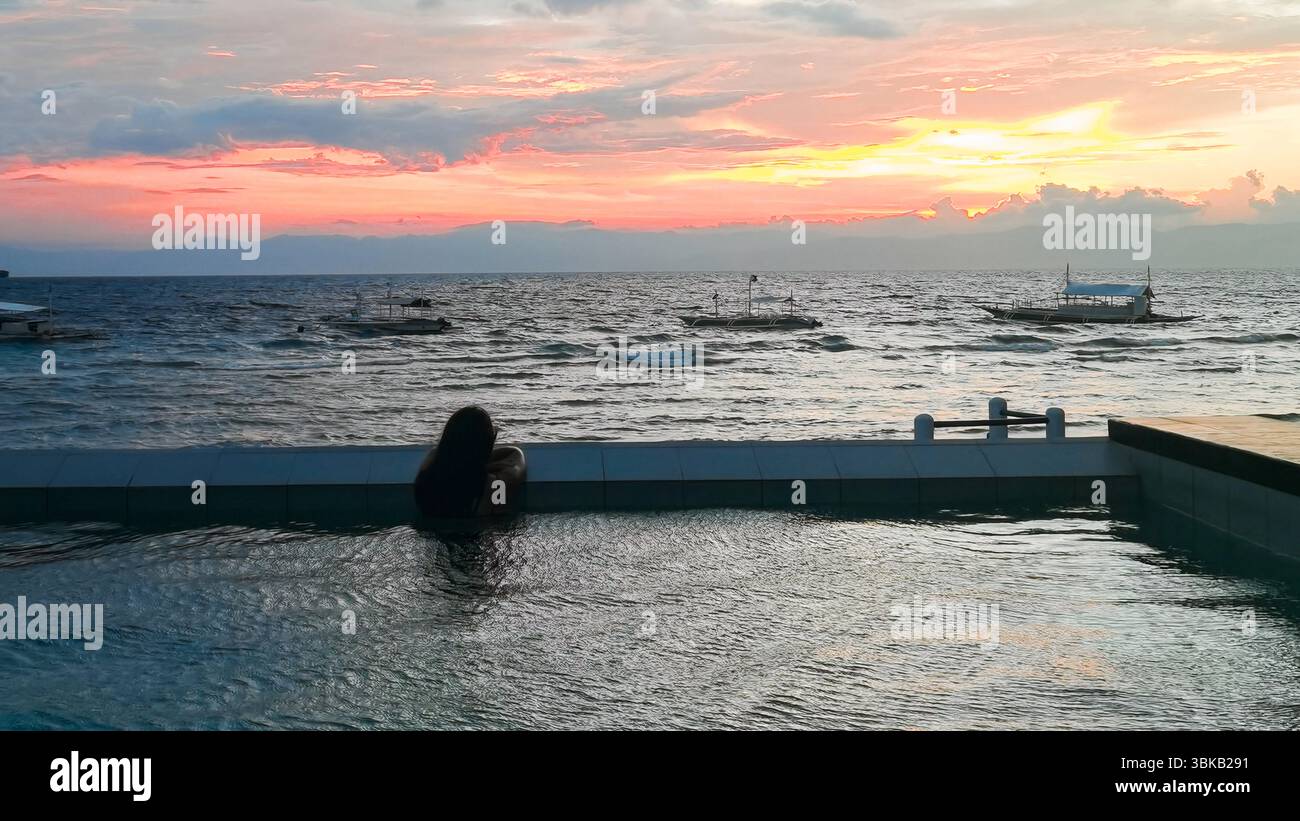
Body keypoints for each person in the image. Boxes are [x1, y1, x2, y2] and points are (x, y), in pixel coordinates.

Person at [413, 406, 526, 518]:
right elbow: (515, 454)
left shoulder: (426, 472)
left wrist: (466, 458)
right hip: (478, 533)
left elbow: (441, 453)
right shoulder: (497, 485)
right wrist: (482, 462)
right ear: (487, 444)